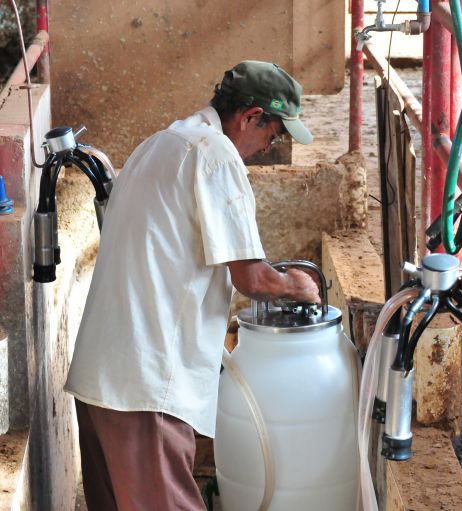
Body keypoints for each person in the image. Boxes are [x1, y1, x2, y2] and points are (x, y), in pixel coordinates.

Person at [64, 60, 320, 511]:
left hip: (101, 378)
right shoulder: (215, 155)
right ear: (250, 117)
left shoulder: (156, 145)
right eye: (272, 134)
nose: (267, 147)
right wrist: (298, 287)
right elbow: (253, 278)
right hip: (147, 387)